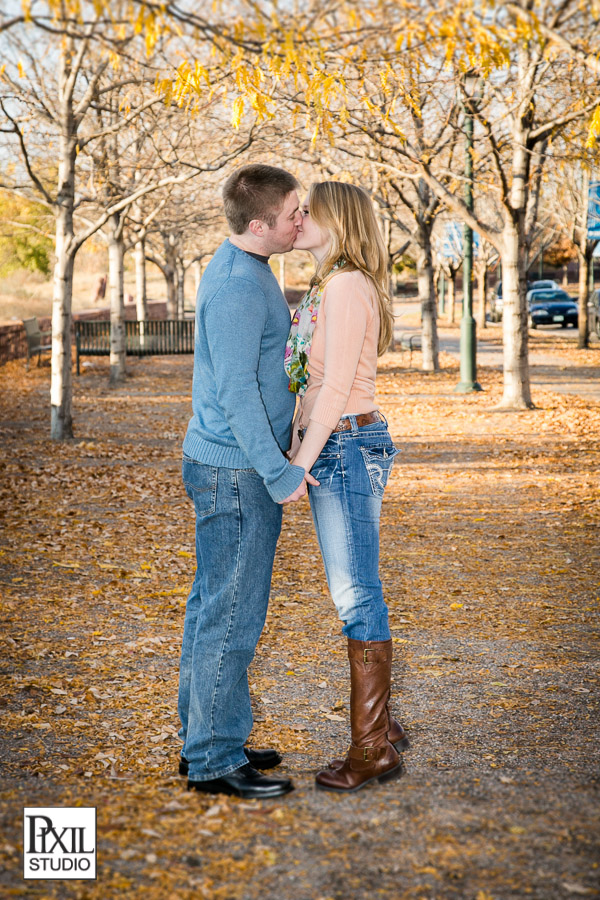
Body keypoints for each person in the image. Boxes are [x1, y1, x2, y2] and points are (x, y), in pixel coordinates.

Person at [178, 164, 318, 800]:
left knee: (213, 607)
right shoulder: (238, 285)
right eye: (292, 213)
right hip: (235, 472)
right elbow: (236, 392)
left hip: (230, 466)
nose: (301, 221)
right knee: (231, 615)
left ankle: (207, 736)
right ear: (259, 225)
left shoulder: (251, 268)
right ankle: (213, 758)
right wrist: (278, 471)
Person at [285, 180, 408, 793]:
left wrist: (299, 463)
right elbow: (315, 382)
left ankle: (371, 750)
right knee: (357, 586)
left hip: (344, 445)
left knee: (356, 593)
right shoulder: (331, 284)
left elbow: (334, 389)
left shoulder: (345, 285)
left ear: (338, 221)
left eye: (310, 209)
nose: (299, 216)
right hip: (341, 443)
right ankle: (382, 729)